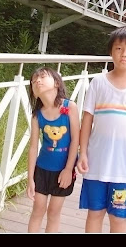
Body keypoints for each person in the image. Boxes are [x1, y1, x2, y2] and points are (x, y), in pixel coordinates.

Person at [77, 26, 126, 233]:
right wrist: (82, 152)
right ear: (111, 52)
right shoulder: (98, 83)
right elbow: (87, 120)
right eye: (119, 48)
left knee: (118, 219)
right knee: (94, 213)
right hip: (96, 164)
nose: (124, 54)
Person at [27, 67, 80, 233]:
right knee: (38, 209)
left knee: (54, 212)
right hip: (42, 169)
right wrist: (30, 178)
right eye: (34, 81)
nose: (37, 81)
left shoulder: (70, 107)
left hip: (63, 170)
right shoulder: (37, 115)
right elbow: (33, 146)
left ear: (57, 83)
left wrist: (68, 169)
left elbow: (75, 140)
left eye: (42, 77)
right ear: (34, 93)